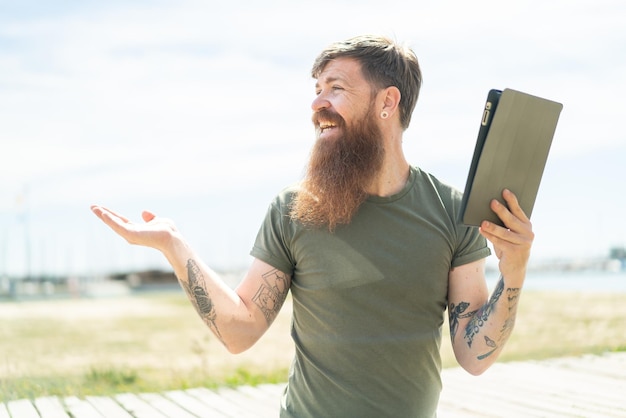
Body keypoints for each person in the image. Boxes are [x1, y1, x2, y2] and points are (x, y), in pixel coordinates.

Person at [91, 35, 534, 418]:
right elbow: (239, 330)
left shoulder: (451, 210)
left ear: (388, 102)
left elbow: (473, 356)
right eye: (317, 89)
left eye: (336, 89)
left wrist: (513, 273)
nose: (317, 103)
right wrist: (174, 245)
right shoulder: (294, 210)